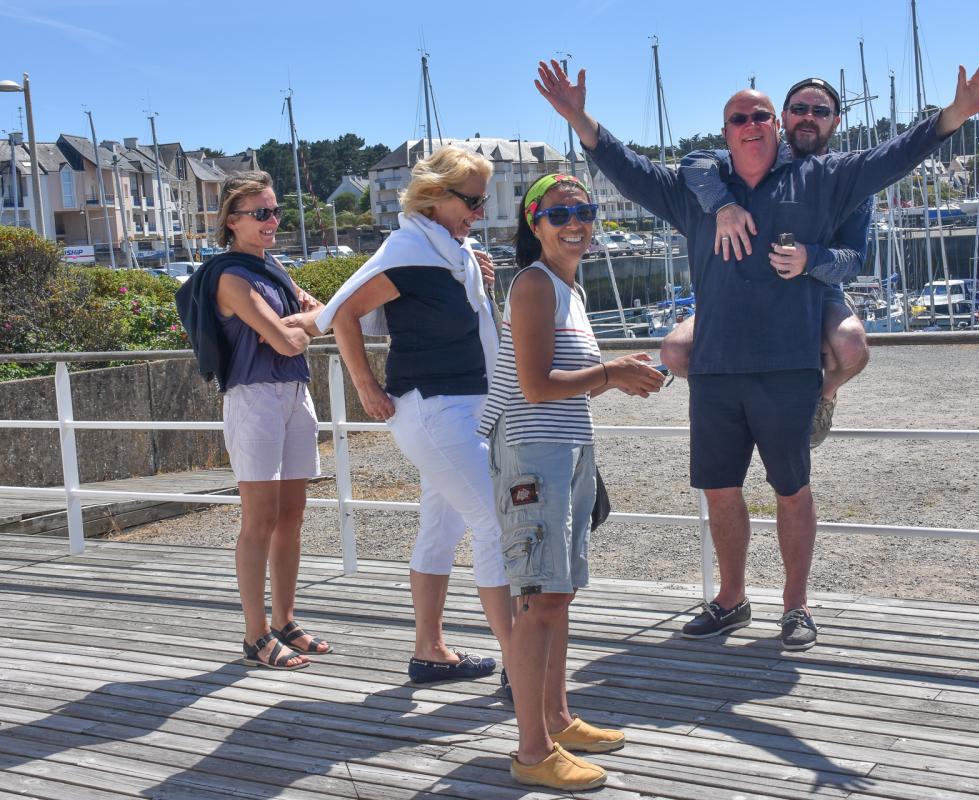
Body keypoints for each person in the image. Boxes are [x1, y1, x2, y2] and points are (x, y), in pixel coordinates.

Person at [536, 54, 979, 651]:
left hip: (788, 366)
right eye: (740, 118)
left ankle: (795, 607)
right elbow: (631, 170)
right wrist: (581, 122)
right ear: (726, 130)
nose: (752, 125)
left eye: (761, 115)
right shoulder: (698, 193)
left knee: (792, 490)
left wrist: (953, 116)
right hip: (716, 367)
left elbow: (893, 156)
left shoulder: (823, 179)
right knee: (719, 490)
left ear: (776, 125)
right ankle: (731, 599)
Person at [477, 173, 664, 790]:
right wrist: (611, 372)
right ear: (534, 224)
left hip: (563, 450)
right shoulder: (534, 285)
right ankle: (533, 752)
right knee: (539, 600)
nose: (575, 222)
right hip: (533, 456)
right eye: (559, 214)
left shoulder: (568, 289)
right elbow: (535, 387)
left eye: (583, 211)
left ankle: (556, 717)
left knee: (557, 594)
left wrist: (615, 377)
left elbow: (559, 385)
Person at [316, 146, 512, 685]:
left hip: (465, 406)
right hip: (433, 409)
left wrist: (473, 273)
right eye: (472, 201)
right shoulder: (408, 252)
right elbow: (343, 314)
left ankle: (430, 651)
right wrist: (366, 387)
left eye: (483, 200)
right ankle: (520, 663)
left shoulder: (453, 253)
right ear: (435, 196)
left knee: (442, 528)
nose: (479, 211)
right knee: (496, 522)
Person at [175, 170, 330, 670]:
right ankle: (255, 634)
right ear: (232, 220)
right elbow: (287, 340)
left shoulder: (273, 267)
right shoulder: (231, 276)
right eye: (261, 213)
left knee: (292, 517)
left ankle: (285, 621)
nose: (272, 220)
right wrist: (300, 327)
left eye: (275, 211)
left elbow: (318, 316)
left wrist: (299, 324)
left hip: (295, 393)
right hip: (254, 398)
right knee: (259, 520)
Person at [667, 77, 872, 447]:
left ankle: (823, 397)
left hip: (817, 290)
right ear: (783, 118)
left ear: (836, 120)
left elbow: (854, 258)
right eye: (799, 109)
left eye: (820, 111)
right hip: (739, 293)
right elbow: (695, 162)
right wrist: (723, 205)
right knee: (674, 351)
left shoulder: (848, 179)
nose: (809, 117)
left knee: (852, 345)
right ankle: (725, 402)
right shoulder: (759, 157)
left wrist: (811, 259)